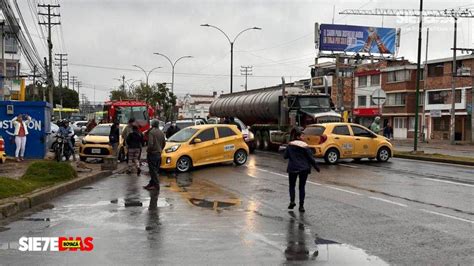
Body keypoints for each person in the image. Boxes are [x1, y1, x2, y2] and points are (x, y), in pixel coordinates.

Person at [283, 130, 320, 213]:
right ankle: (301, 206)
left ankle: (292, 201)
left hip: (292, 168)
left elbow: (285, 156)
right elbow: (310, 158)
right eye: (302, 136)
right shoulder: (305, 146)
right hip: (304, 169)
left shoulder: (290, 145)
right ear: (298, 137)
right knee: (301, 187)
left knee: (292, 186)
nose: (304, 137)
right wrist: (316, 167)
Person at [144, 119, 166, 190]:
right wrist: (160, 149)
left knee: (152, 170)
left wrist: (148, 150)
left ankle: (156, 185)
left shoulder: (152, 132)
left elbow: (150, 144)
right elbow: (164, 143)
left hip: (152, 153)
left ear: (152, 124)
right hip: (158, 153)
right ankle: (151, 183)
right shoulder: (161, 132)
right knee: (155, 169)